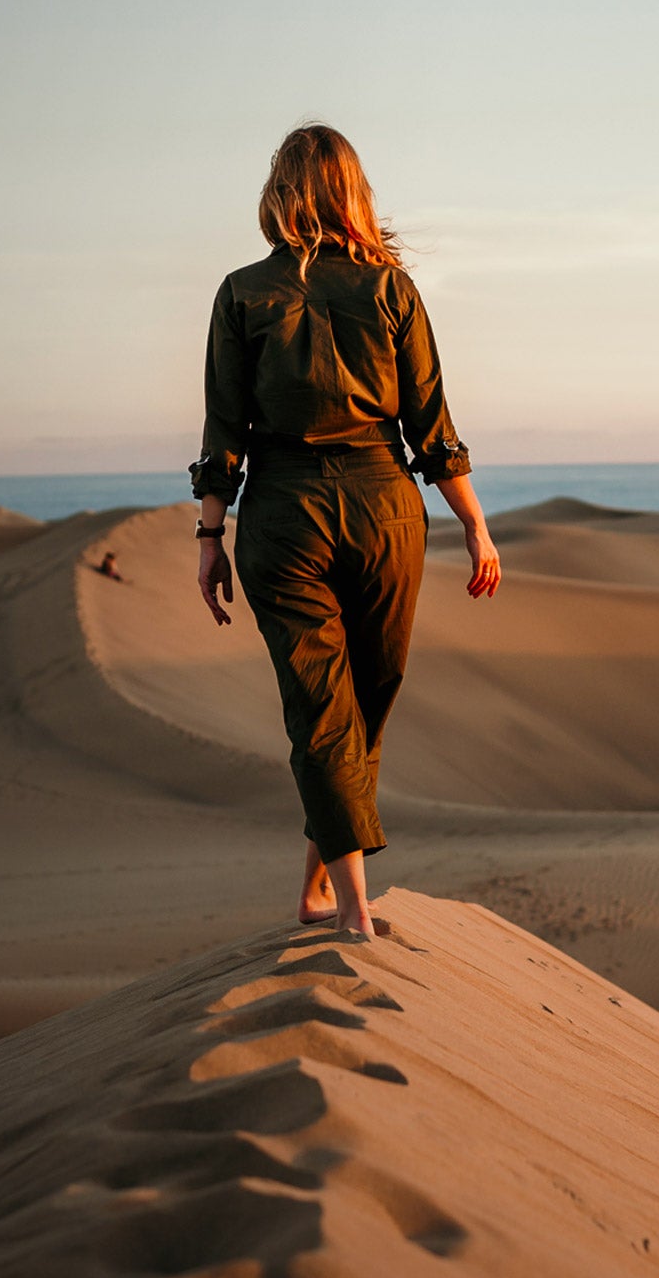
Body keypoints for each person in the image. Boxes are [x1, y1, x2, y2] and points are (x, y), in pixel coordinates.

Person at [189, 123, 501, 942]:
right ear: (353, 193)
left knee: (330, 713)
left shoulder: (241, 292)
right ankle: (355, 915)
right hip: (383, 506)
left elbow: (223, 430)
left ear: (281, 192)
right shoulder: (391, 290)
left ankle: (323, 894)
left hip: (282, 512)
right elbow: (433, 424)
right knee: (353, 708)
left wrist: (209, 535)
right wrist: (473, 523)